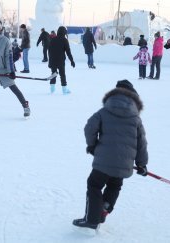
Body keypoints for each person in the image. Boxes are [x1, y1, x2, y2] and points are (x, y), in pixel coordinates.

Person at [72, 79, 148, 230]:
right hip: (123, 164)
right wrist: (142, 164)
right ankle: (104, 208)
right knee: (115, 185)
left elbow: (89, 128)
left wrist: (92, 145)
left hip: (103, 160)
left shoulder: (104, 111)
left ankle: (92, 220)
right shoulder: (136, 118)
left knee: (94, 185)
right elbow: (142, 142)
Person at [48, 26, 75, 94]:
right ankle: (64, 89)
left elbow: (49, 51)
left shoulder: (53, 39)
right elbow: (68, 52)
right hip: (60, 60)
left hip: (53, 60)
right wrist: (72, 61)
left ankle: (52, 89)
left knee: (53, 74)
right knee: (62, 74)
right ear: (64, 32)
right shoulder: (64, 40)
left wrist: (50, 62)